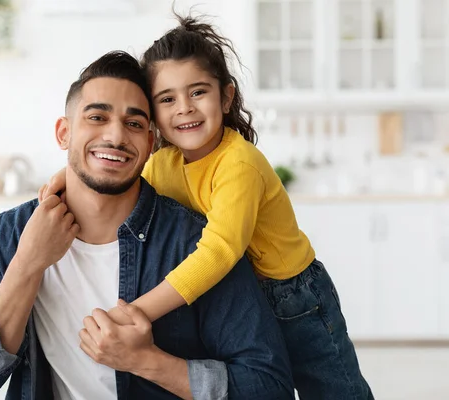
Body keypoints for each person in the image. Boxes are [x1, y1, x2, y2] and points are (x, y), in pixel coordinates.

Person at [38, 13, 374, 400]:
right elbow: (113, 165)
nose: (184, 108)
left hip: (295, 295)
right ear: (153, 117)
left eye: (197, 92)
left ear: (226, 97)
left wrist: (138, 312)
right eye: (167, 99)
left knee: (335, 391)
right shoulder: (164, 161)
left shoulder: (239, 164)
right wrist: (65, 178)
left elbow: (218, 253)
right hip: (241, 295)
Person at [0, 50, 294, 400]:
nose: (116, 136)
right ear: (64, 133)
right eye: (96, 117)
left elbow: (269, 386)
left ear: (150, 144)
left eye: (135, 123)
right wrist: (27, 264)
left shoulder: (193, 242)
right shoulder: (10, 235)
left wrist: (148, 362)